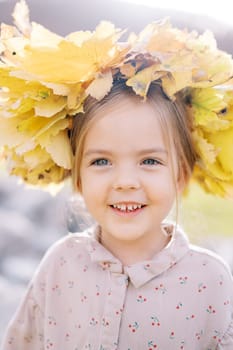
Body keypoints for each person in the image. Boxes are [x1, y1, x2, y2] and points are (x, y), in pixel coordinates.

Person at [1, 1, 233, 349]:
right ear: (76, 175)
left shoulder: (209, 281)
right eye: (101, 162)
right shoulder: (60, 265)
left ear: (181, 174)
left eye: (150, 161)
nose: (125, 181)